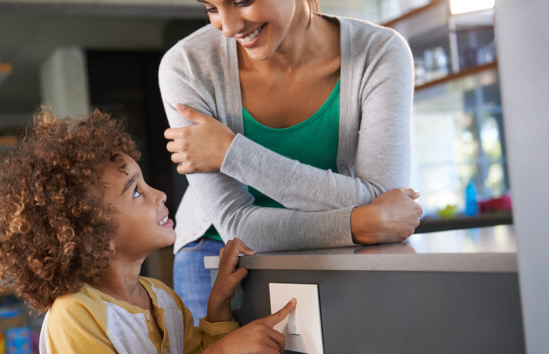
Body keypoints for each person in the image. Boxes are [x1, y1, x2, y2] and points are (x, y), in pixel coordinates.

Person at [159, 0, 424, 320]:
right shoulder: (187, 65)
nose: (227, 28)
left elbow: (384, 197)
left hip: (335, 246)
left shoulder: (378, 52)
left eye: (242, 1)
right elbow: (236, 224)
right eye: (211, 8)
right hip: (217, 251)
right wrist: (358, 223)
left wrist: (232, 153)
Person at [0, 110, 296, 353]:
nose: (160, 194)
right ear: (91, 234)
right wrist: (224, 351)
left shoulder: (163, 299)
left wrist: (219, 302)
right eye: (136, 191)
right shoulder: (75, 315)